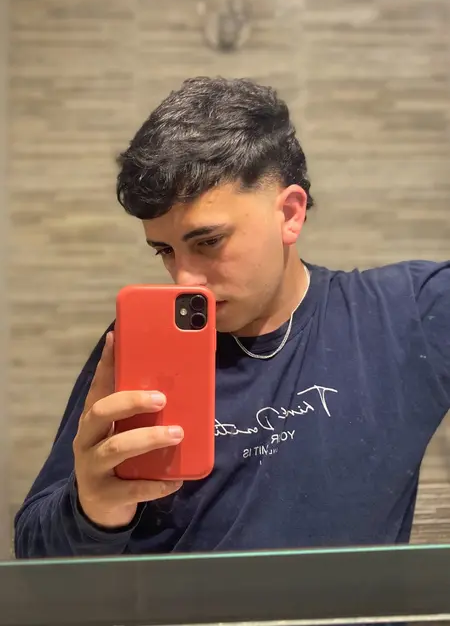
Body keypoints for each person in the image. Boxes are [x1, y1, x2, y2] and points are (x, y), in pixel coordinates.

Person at [14, 76, 450, 559]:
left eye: (208, 242)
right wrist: (92, 511)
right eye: (164, 250)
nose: (185, 280)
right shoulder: (140, 343)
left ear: (290, 214)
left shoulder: (406, 315)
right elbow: (35, 553)